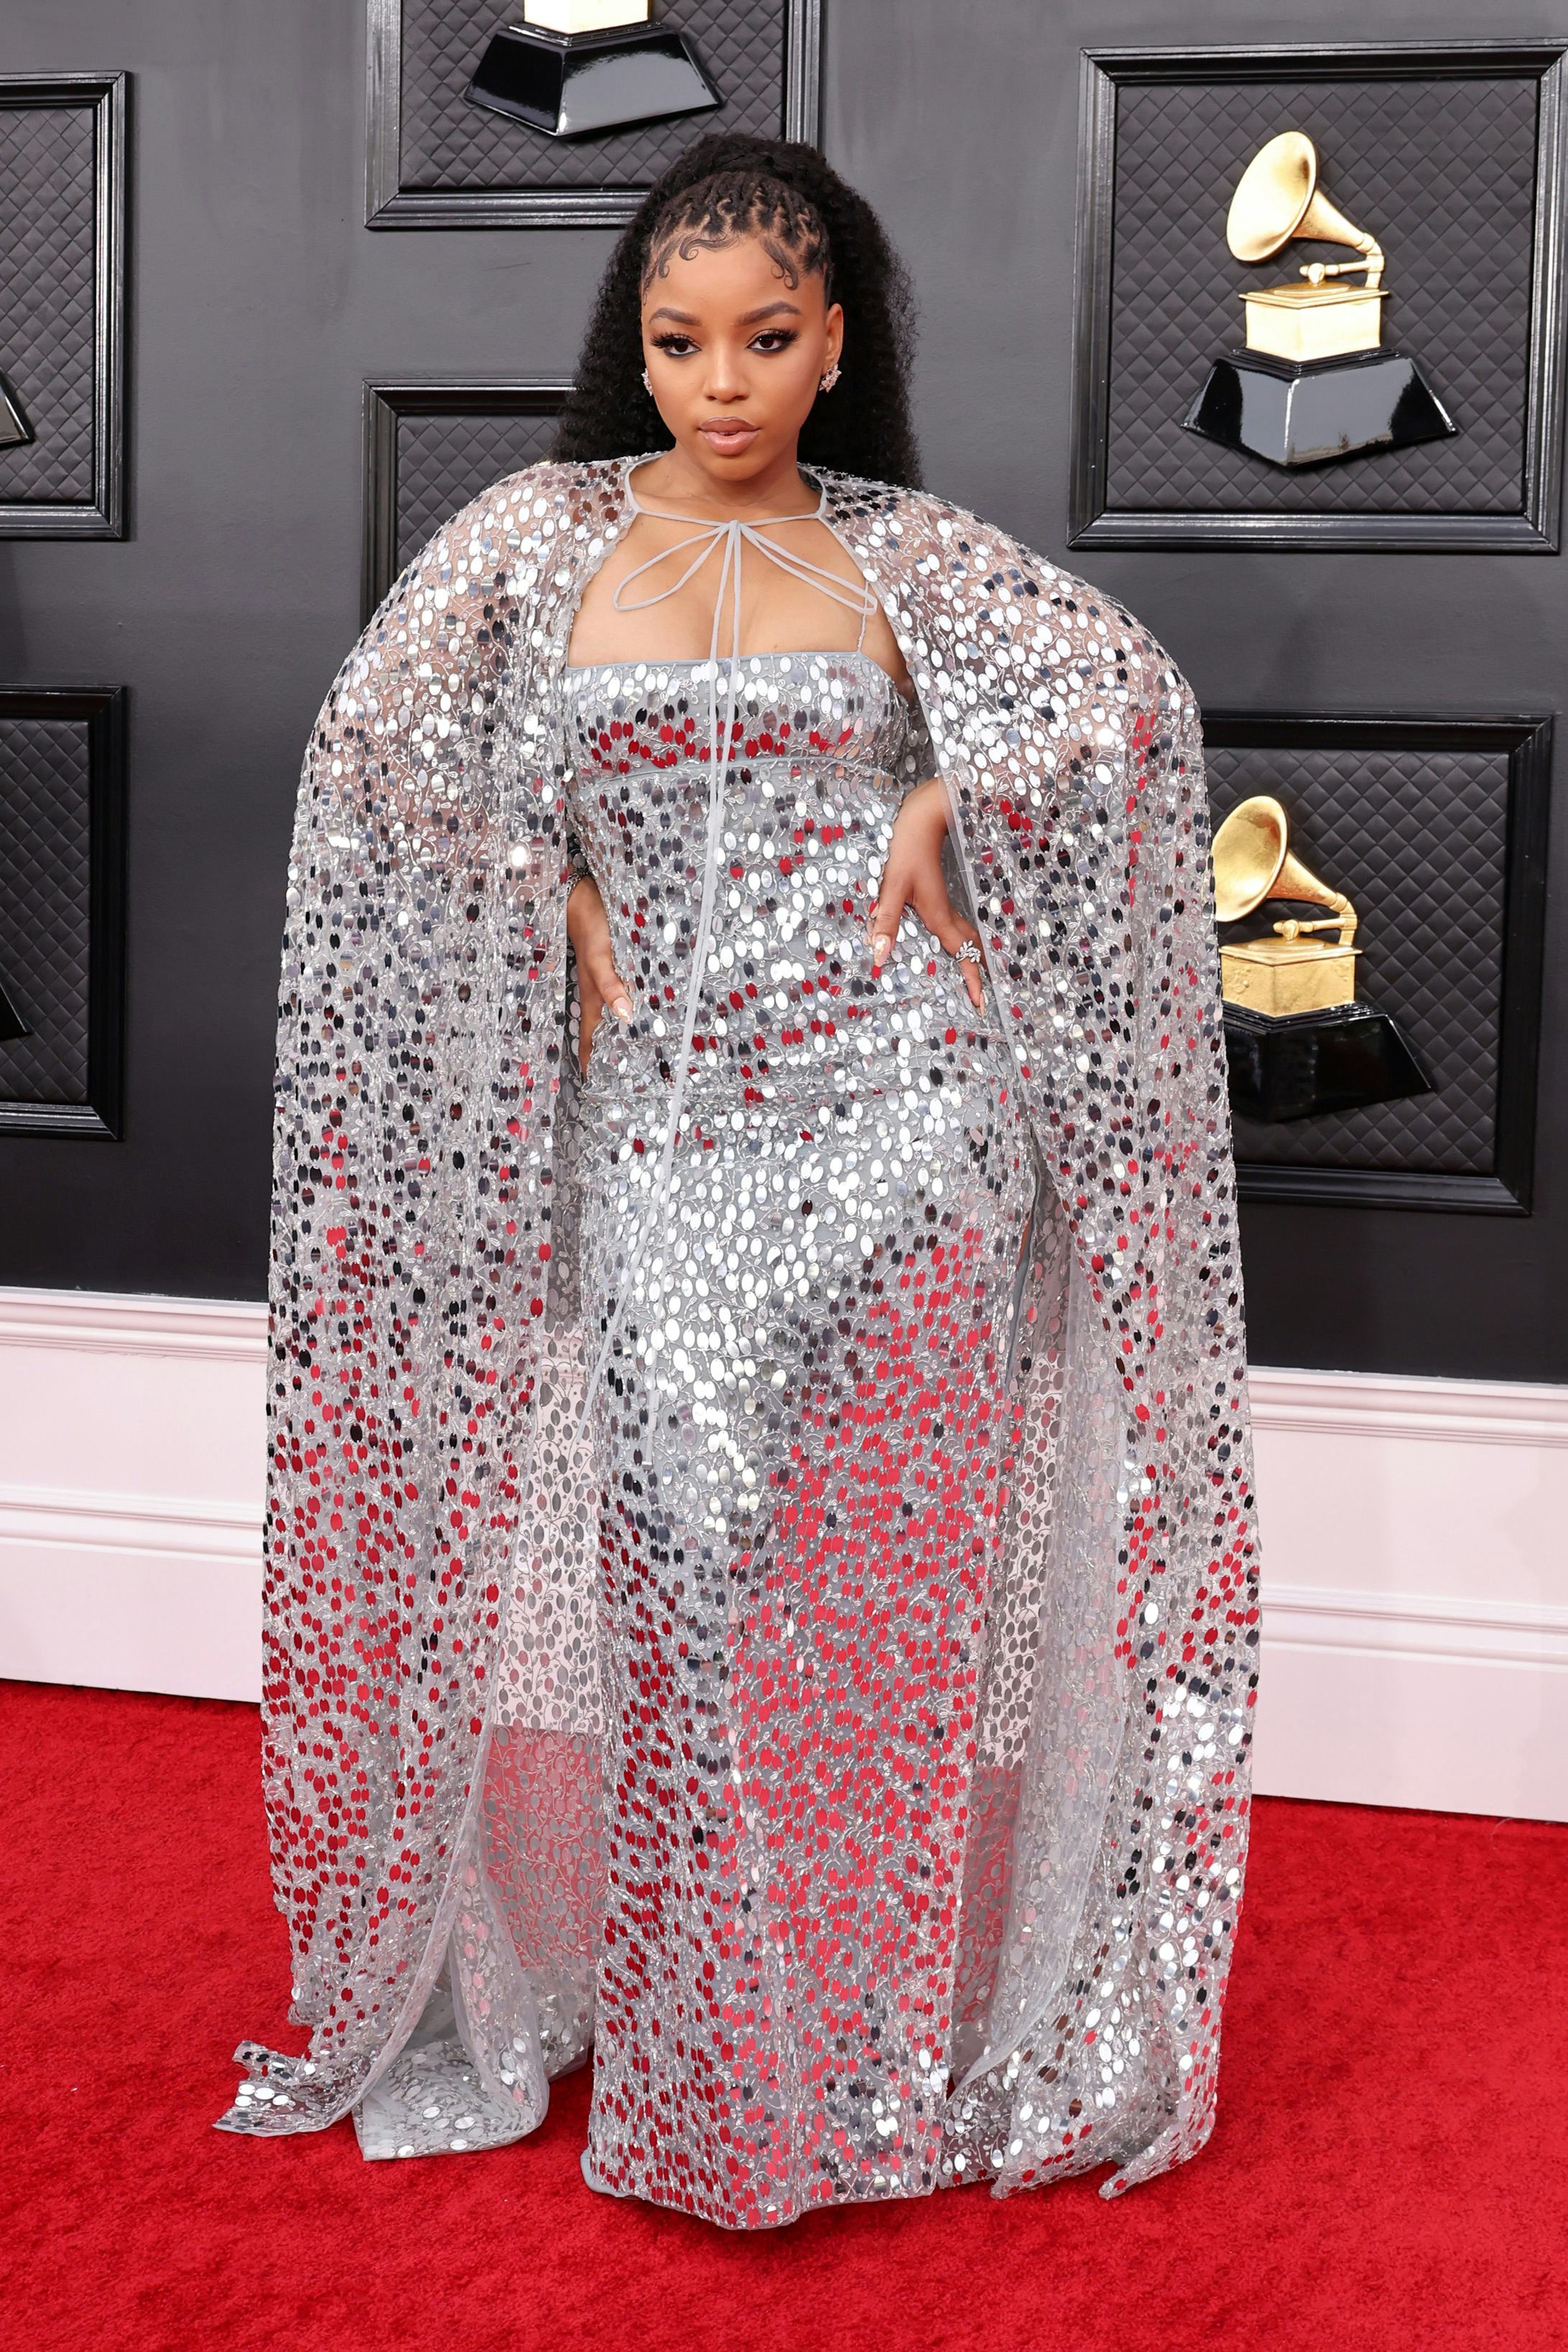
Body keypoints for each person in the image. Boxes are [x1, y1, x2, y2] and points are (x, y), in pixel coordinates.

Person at [220, 133, 1261, 2231]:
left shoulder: (907, 559)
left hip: (915, 1138)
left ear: (834, 344)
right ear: (638, 344)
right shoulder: (533, 544)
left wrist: (961, 793)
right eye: (679, 339)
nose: (718, 380)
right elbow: (374, 776)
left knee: (874, 1634)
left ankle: (856, 2067)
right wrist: (542, 887)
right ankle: (713, 2079)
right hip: (674, 1136)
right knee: (695, 1590)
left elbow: (1136, 706)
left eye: (765, 338)